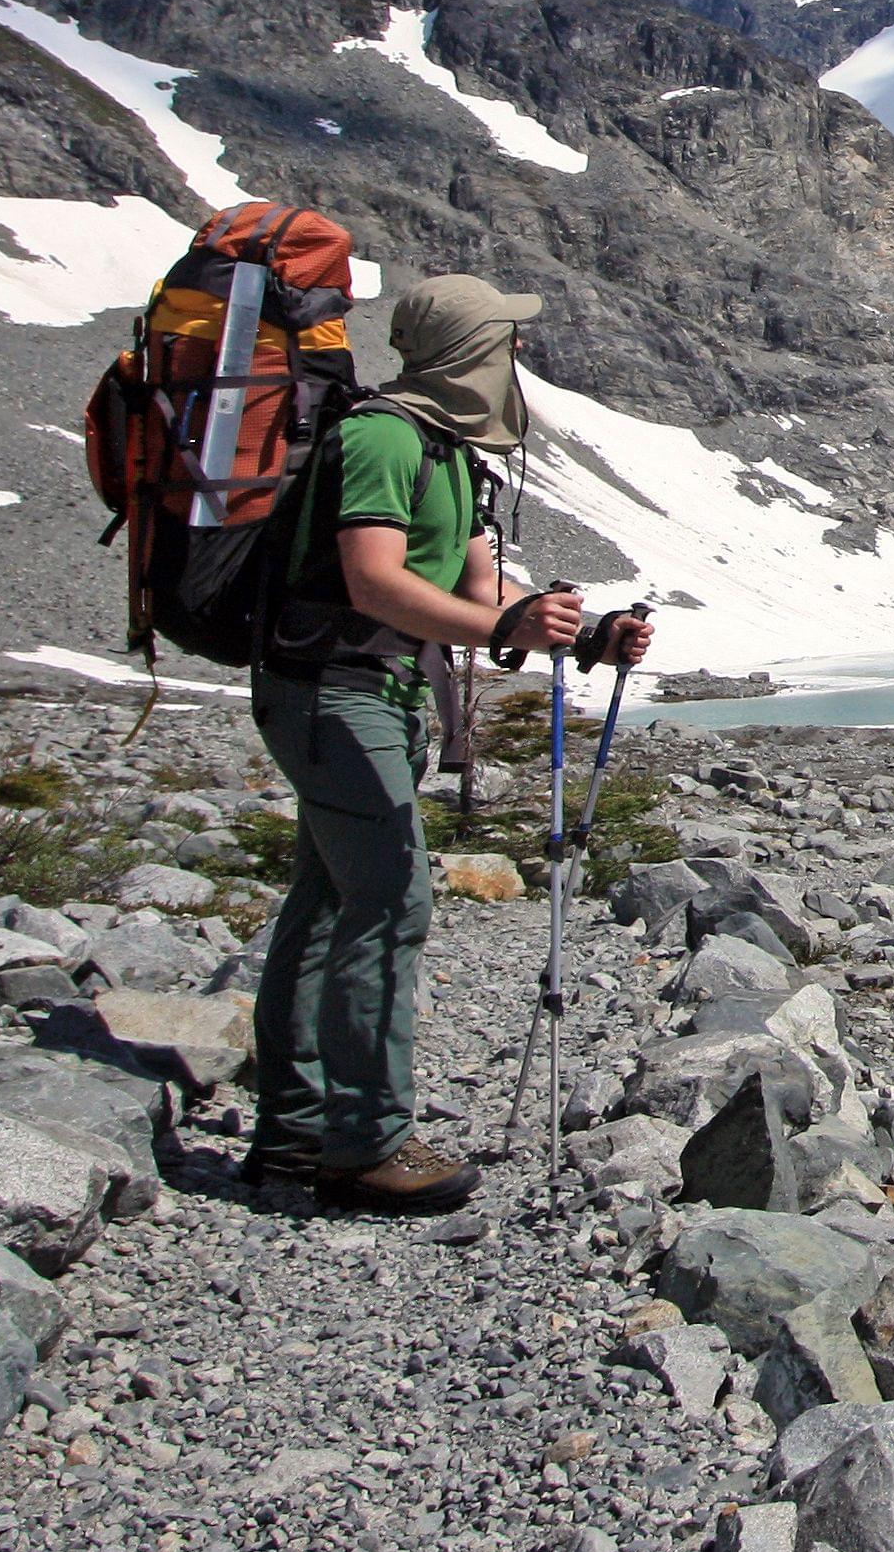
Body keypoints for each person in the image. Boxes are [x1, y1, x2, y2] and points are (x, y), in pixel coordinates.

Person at [242, 273, 650, 1211]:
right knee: (389, 896)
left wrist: (582, 637)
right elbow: (374, 583)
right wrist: (509, 630)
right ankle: (363, 1144)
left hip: (375, 696)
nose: (518, 360)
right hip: (331, 693)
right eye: (507, 342)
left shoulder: (456, 458)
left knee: (325, 900)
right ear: (472, 349)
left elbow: (482, 600)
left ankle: (294, 1133)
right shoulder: (385, 437)